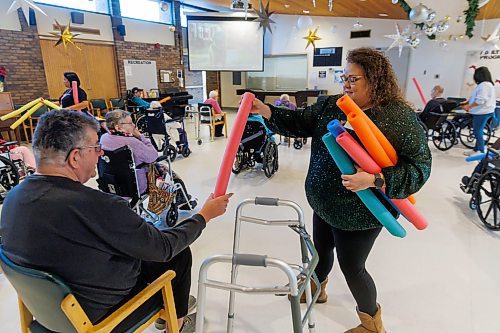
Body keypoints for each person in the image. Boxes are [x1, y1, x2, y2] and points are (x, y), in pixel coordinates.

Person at [0, 109, 233, 332]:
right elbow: (164, 248)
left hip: (47, 309)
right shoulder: (95, 205)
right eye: (95, 148)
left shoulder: (13, 198)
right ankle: (176, 323)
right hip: (96, 314)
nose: (101, 153)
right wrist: (204, 216)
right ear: (75, 157)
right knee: (178, 255)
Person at [250, 47, 431, 333]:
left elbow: (420, 167)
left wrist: (375, 180)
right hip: (324, 203)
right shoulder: (333, 105)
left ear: (375, 79)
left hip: (362, 211)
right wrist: (268, 111)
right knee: (320, 251)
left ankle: (372, 325)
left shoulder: (398, 117)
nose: (345, 83)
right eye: (343, 77)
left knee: (353, 267)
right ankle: (317, 287)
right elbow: (301, 122)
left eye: (353, 79)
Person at [100, 109, 196, 209]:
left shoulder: (104, 139)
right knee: (167, 171)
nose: (134, 125)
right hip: (137, 186)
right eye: (130, 123)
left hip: (113, 184)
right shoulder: (131, 142)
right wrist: (140, 136)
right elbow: (153, 156)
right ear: (118, 127)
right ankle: (182, 199)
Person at [462, 66, 496, 156]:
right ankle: (476, 149)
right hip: (482, 111)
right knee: (477, 130)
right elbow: (477, 97)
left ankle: (480, 151)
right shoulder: (485, 84)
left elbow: (481, 100)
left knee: (478, 131)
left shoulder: (484, 85)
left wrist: (469, 106)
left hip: (482, 112)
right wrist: (468, 101)